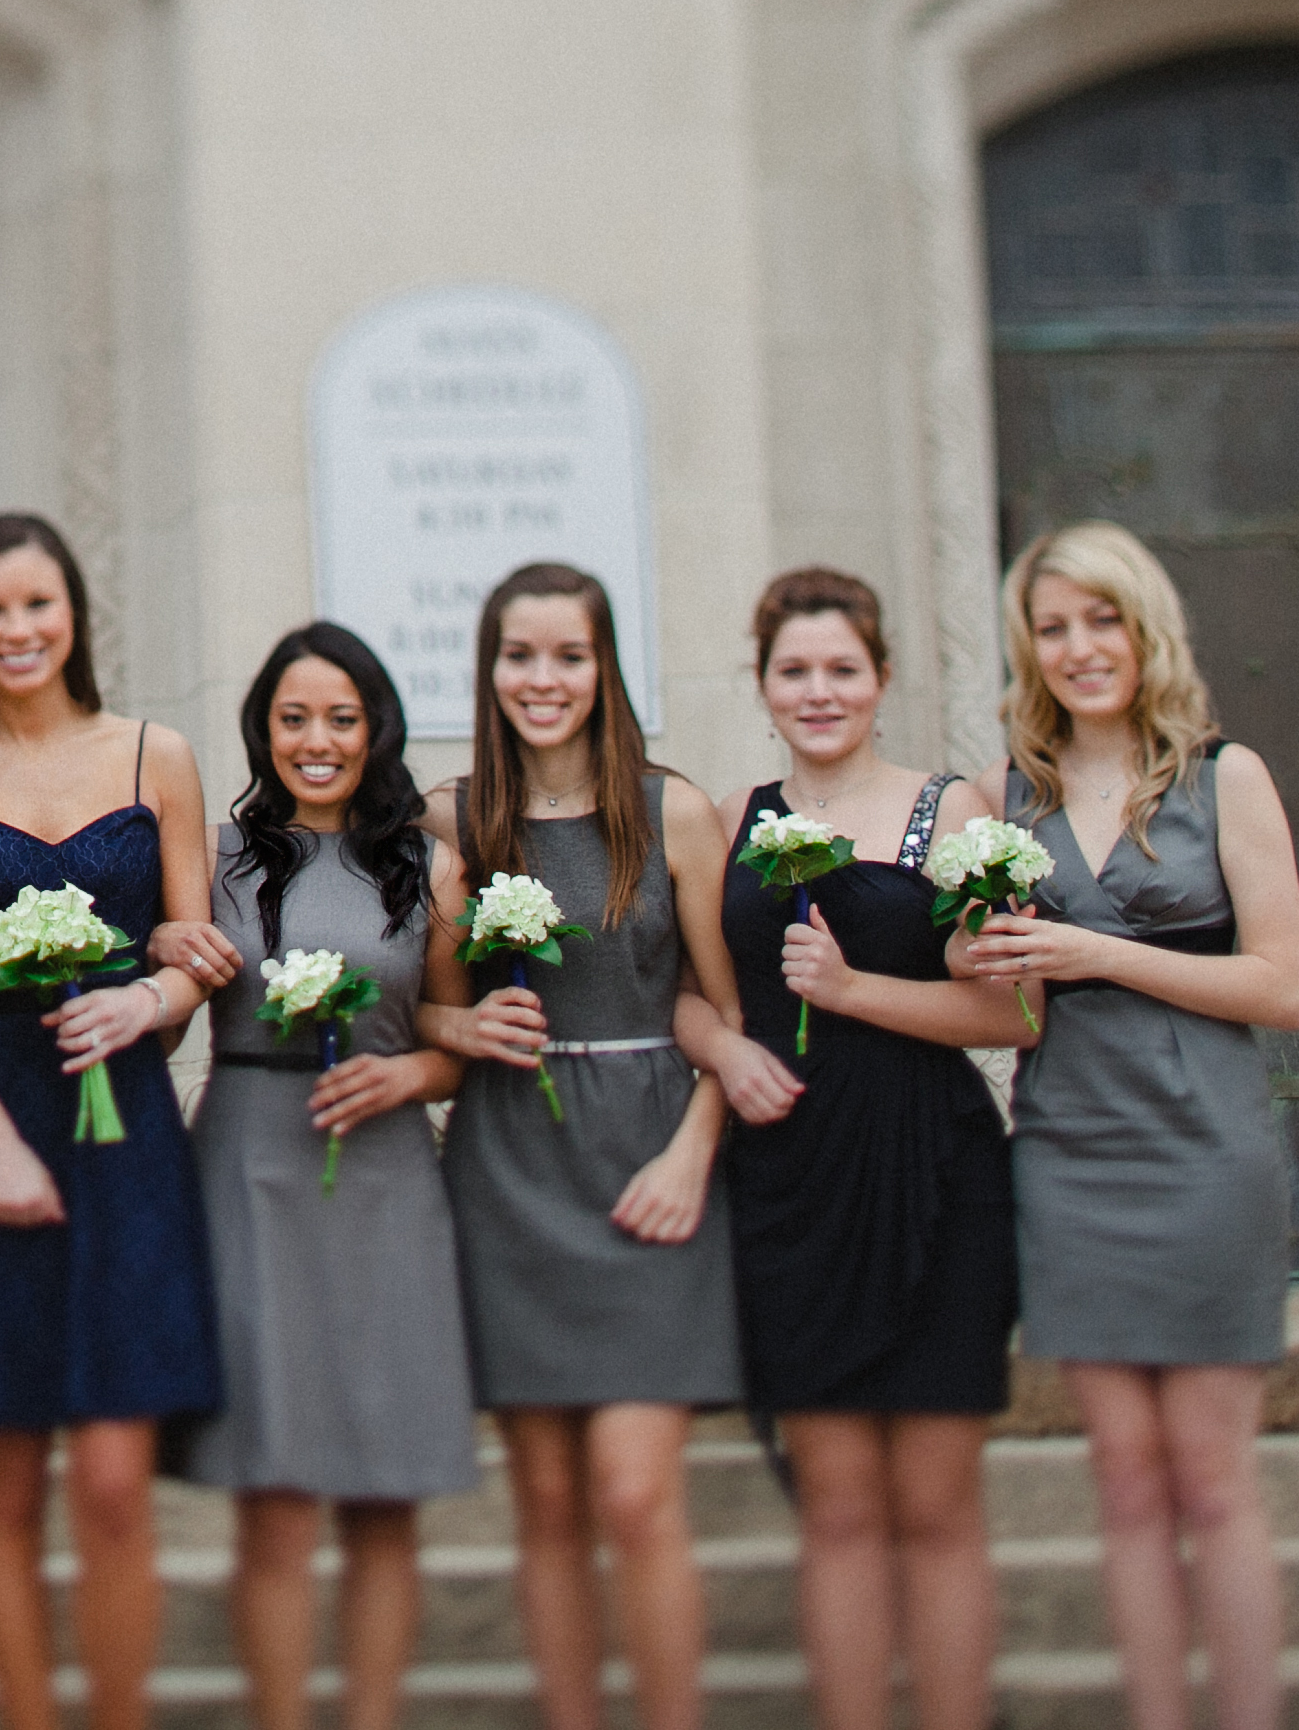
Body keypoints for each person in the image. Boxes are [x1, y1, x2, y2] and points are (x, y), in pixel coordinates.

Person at [0, 513, 222, 1730]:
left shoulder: (156, 757)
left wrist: (149, 997)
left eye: (37, 605)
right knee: (6, 1481)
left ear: (74, 611)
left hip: (125, 1132)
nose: (17, 631)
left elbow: (197, 961)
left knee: (119, 1486)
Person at [960, 523, 1298, 1730]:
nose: (1079, 648)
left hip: (1204, 1151)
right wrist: (976, 951)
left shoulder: (1227, 776)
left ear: (1143, 627)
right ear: (1028, 648)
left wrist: (1100, 948)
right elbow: (1004, 1001)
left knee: (1214, 1483)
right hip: (1068, 1153)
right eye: (1054, 628)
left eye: (1100, 620)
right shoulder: (1013, 796)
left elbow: (1283, 986)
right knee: (1122, 1481)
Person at [674, 568, 1022, 1730]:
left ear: (880, 678)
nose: (819, 692)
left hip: (935, 1170)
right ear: (763, 685)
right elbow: (690, 997)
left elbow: (1009, 1016)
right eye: (794, 671)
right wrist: (725, 1057)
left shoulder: (955, 810)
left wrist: (856, 988)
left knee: (934, 1502)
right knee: (834, 1503)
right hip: (789, 1174)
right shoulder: (731, 819)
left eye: (842, 670)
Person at [421, 563, 737, 1730]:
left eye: (568, 655)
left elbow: (728, 1009)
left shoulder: (673, 812)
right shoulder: (453, 819)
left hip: (650, 1154)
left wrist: (695, 1152)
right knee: (547, 1503)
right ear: (489, 669)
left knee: (637, 1494)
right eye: (520, 656)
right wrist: (460, 1020)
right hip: (509, 1161)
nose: (542, 680)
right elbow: (425, 1007)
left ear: (605, 669)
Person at [176, 622, 476, 1730]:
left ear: (376, 729)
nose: (318, 740)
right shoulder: (219, 857)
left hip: (389, 1178)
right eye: (294, 718)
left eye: (341, 719)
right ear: (264, 727)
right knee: (277, 1497)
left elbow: (459, 1037)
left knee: (385, 1496)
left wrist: (409, 1081)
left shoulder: (430, 864)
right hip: (251, 1159)